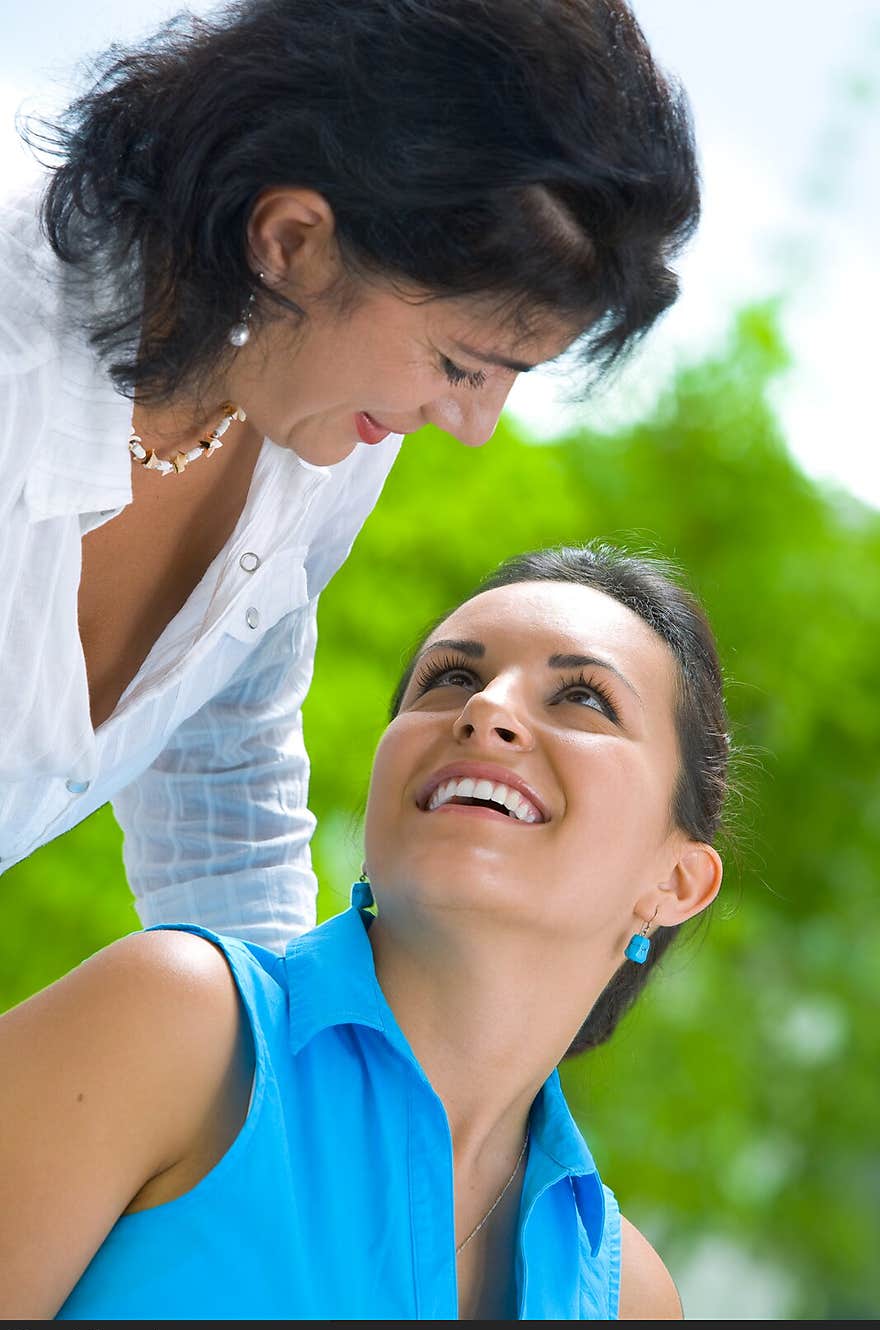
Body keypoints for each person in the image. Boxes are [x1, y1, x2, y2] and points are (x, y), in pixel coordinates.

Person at [0, 0, 700, 947]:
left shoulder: (324, 434)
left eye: (507, 380)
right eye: (461, 365)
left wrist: (299, 1068)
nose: (474, 426)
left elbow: (225, 783)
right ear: (288, 239)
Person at [0, 542, 728, 1320]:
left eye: (583, 698)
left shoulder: (630, 1300)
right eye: (452, 680)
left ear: (677, 883)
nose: (485, 710)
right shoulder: (173, 1023)